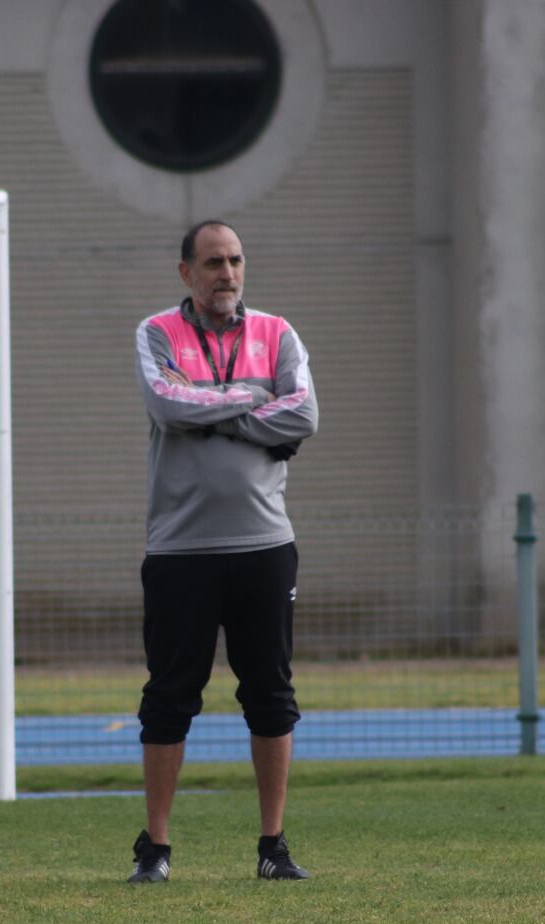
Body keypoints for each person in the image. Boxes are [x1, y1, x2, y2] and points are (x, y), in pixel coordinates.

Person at [127, 220, 318, 883]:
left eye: (235, 259)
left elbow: (304, 416)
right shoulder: (156, 333)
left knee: (270, 694)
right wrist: (250, 402)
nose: (226, 274)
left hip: (265, 546)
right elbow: (166, 403)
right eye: (212, 262)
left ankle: (273, 846)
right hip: (180, 550)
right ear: (187, 272)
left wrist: (210, 405)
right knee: (170, 696)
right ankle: (155, 850)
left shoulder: (278, 333)